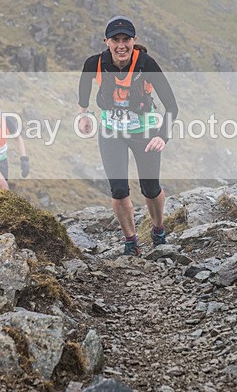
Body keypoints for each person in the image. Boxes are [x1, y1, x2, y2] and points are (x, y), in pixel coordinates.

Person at [77, 16, 179, 256]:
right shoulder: (96, 62)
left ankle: (157, 229)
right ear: (107, 41)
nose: (121, 45)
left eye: (126, 39)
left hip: (145, 131)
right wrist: (83, 113)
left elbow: (172, 106)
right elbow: (84, 84)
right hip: (111, 131)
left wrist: (163, 136)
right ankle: (131, 241)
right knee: (119, 190)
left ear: (134, 40)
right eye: (115, 40)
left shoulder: (146, 64)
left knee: (150, 188)